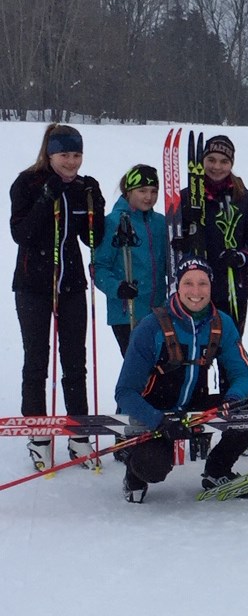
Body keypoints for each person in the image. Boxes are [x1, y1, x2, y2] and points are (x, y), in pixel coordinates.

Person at [114, 256, 248, 503]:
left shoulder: (221, 323)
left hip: (193, 406)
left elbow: (243, 373)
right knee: (152, 467)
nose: (196, 291)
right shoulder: (151, 327)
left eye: (203, 283)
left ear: (211, 286)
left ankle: (217, 470)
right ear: (177, 287)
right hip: (154, 413)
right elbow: (125, 392)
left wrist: (234, 399)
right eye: (188, 283)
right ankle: (134, 472)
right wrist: (158, 421)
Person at [10, 124, 105, 471]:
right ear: (50, 154)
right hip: (33, 285)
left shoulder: (80, 187)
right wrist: (46, 198)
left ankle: (79, 434)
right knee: (37, 359)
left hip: (71, 285)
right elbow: (21, 234)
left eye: (77, 154)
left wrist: (96, 203)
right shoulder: (27, 182)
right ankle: (38, 434)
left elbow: (92, 239)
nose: (71, 161)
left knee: (74, 361)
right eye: (64, 154)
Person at [177, 135, 248, 336]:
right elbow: (173, 239)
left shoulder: (245, 199)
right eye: (211, 160)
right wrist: (185, 230)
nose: (217, 167)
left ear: (231, 164)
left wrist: (242, 256)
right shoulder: (185, 197)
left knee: (230, 353)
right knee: (197, 355)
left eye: (224, 161)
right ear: (203, 161)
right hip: (195, 289)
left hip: (233, 287)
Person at [94, 164, 168, 355]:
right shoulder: (114, 221)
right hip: (127, 312)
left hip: (159, 310)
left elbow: (168, 263)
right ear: (128, 191)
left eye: (153, 191)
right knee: (138, 368)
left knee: (163, 371)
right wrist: (117, 288)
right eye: (142, 191)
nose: (148, 197)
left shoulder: (160, 223)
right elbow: (99, 267)